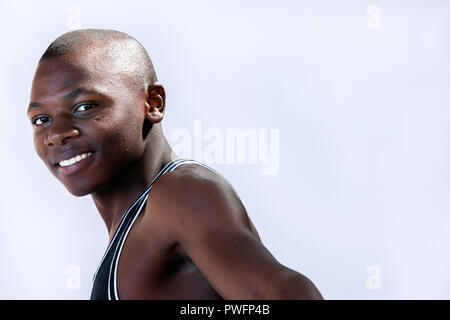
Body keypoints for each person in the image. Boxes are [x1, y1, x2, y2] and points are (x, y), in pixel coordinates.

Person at [27, 29, 323, 300]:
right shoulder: (137, 221)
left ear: (153, 103)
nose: (56, 134)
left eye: (85, 107)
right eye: (41, 119)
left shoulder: (180, 194)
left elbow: (288, 292)